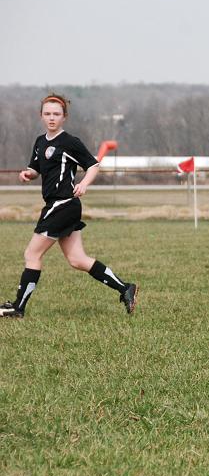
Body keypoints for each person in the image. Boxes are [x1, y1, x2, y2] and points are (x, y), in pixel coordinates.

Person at [1, 94, 138, 319]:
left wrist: (83, 183)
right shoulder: (40, 141)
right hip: (59, 205)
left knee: (31, 253)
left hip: (63, 204)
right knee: (77, 260)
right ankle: (126, 288)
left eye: (56, 114)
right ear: (41, 116)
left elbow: (93, 165)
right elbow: (36, 169)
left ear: (64, 117)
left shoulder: (69, 142)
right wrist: (28, 174)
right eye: (47, 114)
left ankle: (18, 307)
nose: (51, 118)